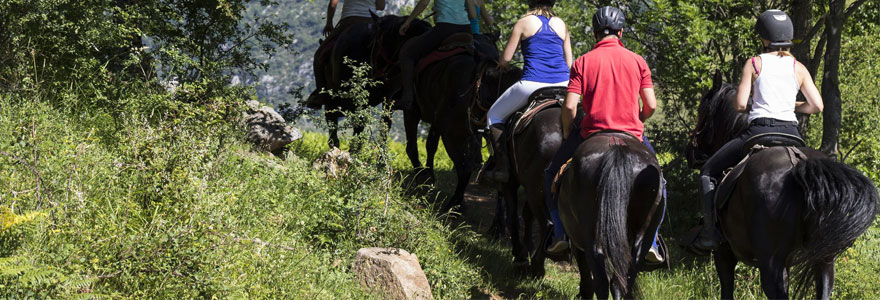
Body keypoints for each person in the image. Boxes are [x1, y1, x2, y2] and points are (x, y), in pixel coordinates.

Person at [690, 9, 824, 252]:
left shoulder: (754, 63)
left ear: (764, 38)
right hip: (793, 135)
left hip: (759, 132)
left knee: (708, 171)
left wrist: (760, 102)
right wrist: (790, 104)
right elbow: (817, 106)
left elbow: (740, 104)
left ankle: (710, 233)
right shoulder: (799, 67)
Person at [542, 7, 664, 260]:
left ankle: (560, 234)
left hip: (591, 133)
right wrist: (636, 120)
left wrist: (567, 133)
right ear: (621, 31)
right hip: (631, 133)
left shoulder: (583, 62)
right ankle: (651, 242)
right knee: (661, 184)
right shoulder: (638, 60)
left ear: (595, 33)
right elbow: (651, 105)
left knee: (551, 176)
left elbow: (569, 106)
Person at [477, 0, 572, 185]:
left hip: (532, 84)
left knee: (494, 115)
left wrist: (502, 65)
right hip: (564, 84)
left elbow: (505, 59)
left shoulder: (523, 22)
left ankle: (502, 168)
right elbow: (570, 64)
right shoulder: (561, 24)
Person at [305, 0, 385, 108]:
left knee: (319, 55)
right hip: (371, 22)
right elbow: (381, 6)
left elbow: (333, 4)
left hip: (349, 21)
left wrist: (329, 23)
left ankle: (321, 93)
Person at [397, 0, 476, 110]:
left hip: (444, 28)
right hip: (466, 30)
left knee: (407, 53)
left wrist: (408, 22)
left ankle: (407, 98)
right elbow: (473, 15)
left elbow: (424, 3)